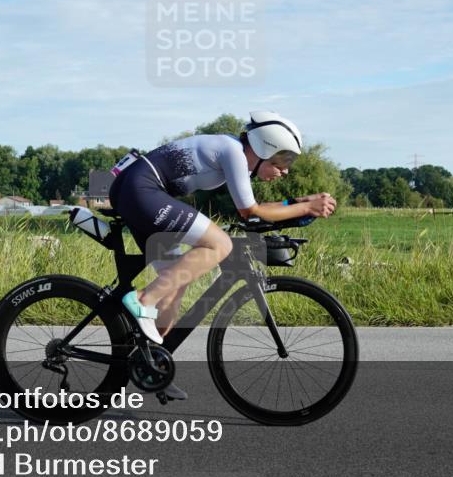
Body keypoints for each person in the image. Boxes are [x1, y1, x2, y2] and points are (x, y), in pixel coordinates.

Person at [107, 111, 337, 399]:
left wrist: (302, 202)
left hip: (137, 190)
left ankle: (152, 366)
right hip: (142, 189)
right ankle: (142, 299)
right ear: (266, 147)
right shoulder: (234, 153)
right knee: (221, 245)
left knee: (174, 288)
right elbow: (250, 212)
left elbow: (254, 208)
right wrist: (305, 208)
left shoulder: (233, 152)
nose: (285, 170)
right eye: (284, 159)